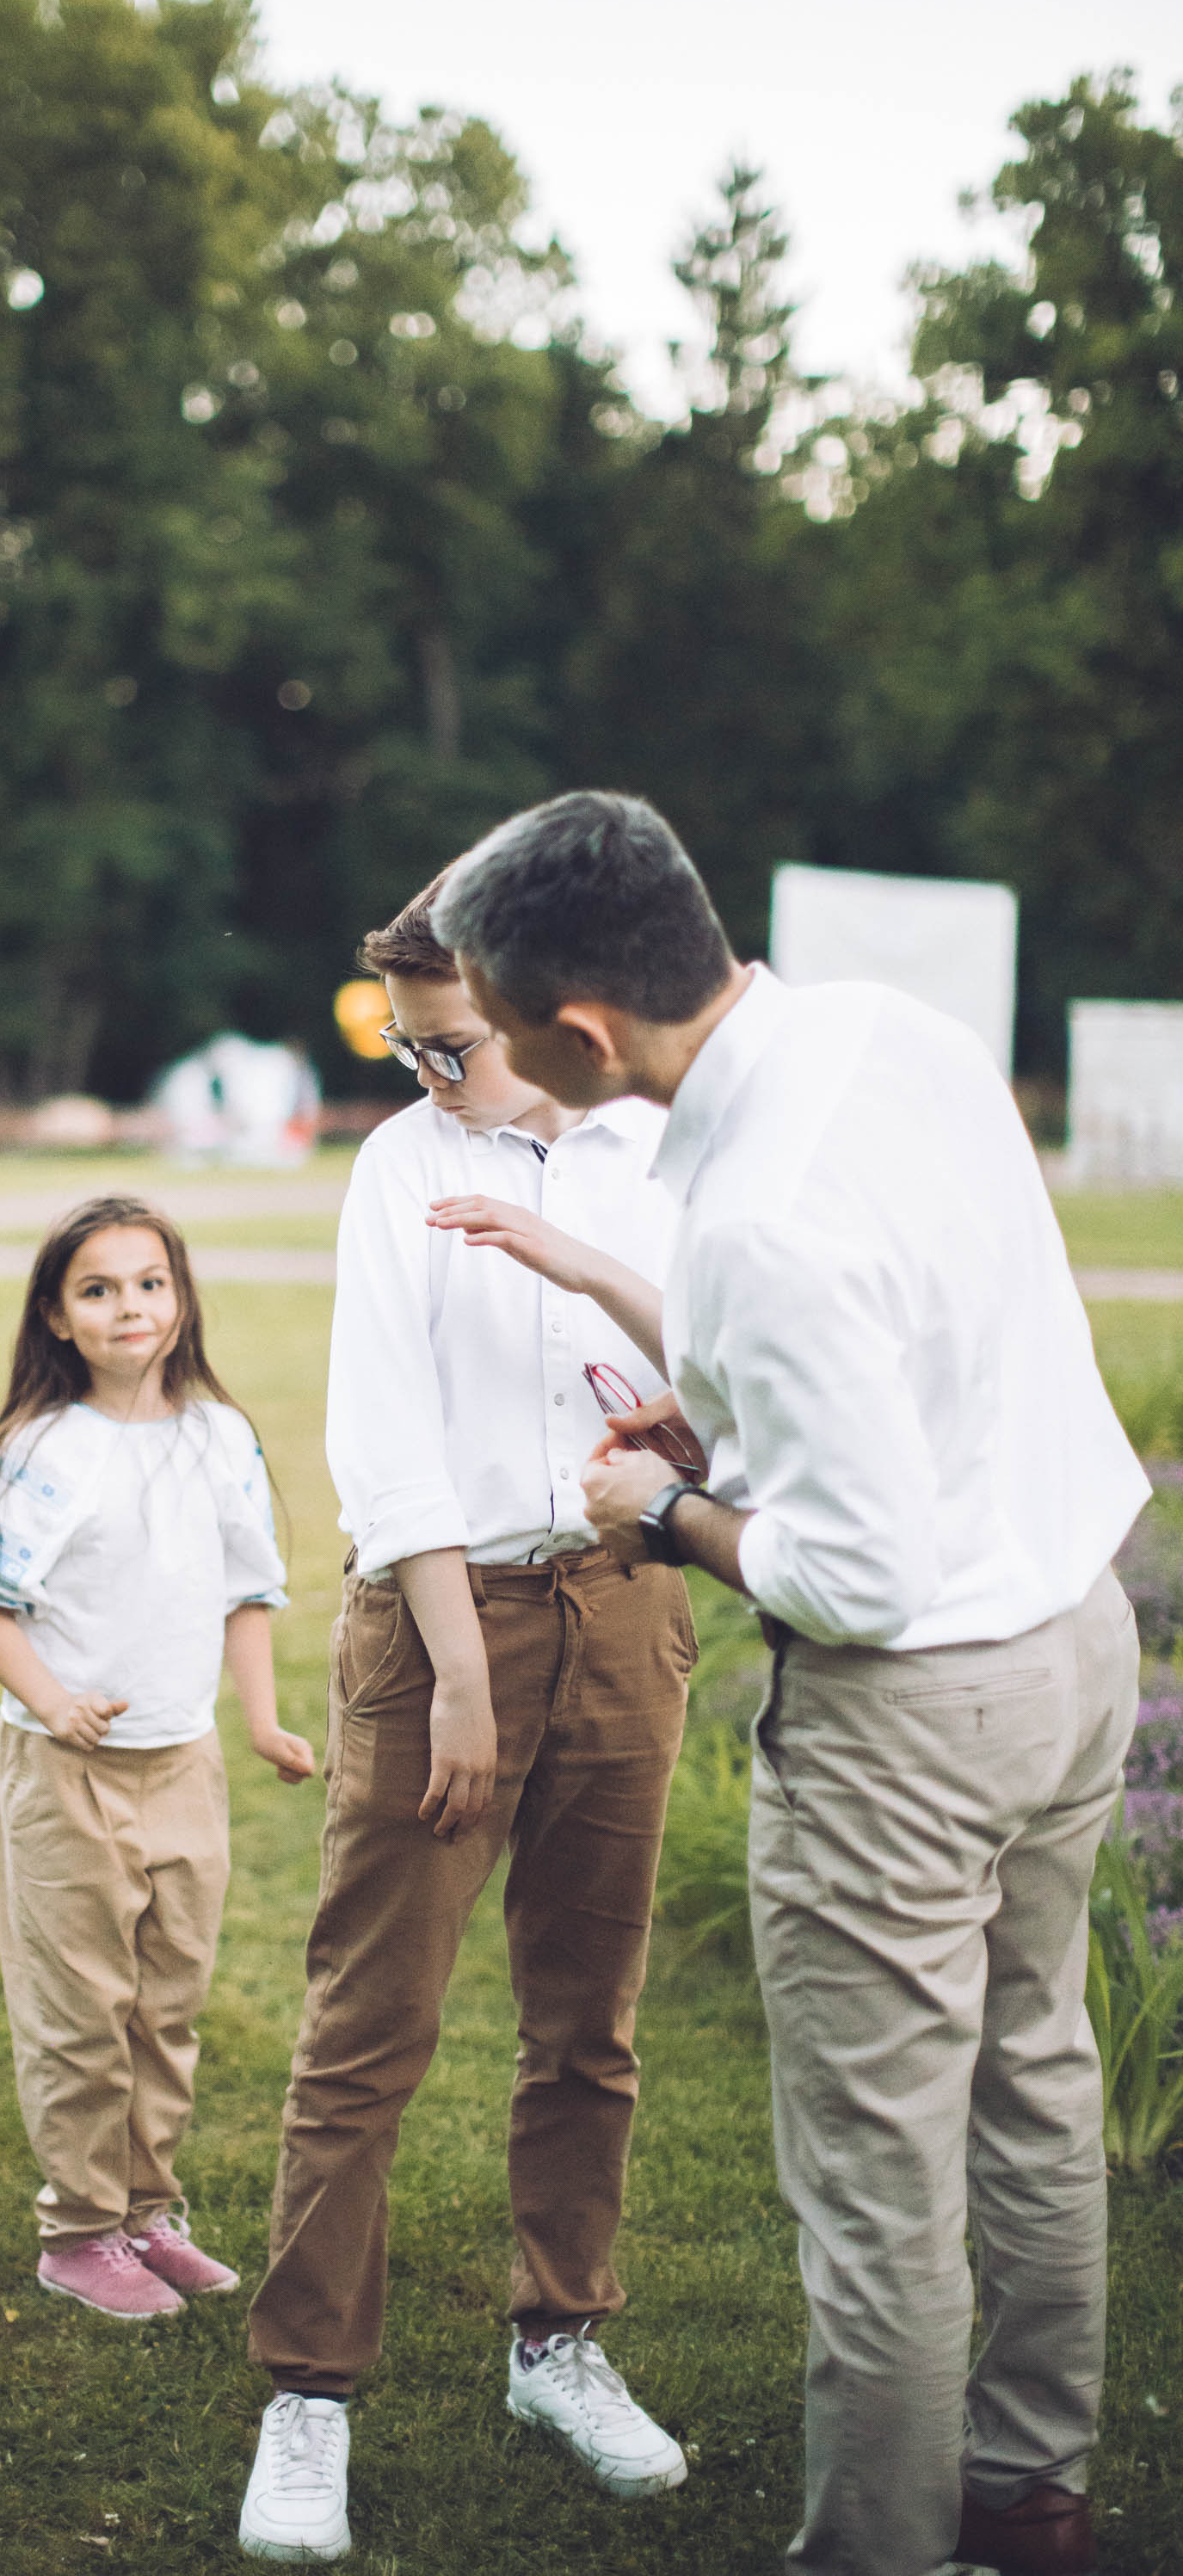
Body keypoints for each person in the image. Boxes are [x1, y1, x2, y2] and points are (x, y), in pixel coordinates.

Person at [428, 791, 1149, 2576]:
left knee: (879, 2186)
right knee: (1038, 2087)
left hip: (916, 1717)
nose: (489, 1057)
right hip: (1074, 1640)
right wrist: (742, 1434)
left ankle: (880, 2551)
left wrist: (669, 1511)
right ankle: (1030, 2495)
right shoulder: (897, 1032)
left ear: (581, 1030)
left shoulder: (752, 1222)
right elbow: (928, 1340)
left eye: (496, 1026)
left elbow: (861, 1575)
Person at [238, 876, 698, 2563]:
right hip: (446, 1616)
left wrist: (586, 1267)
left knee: (588, 2024)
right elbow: (384, 1438)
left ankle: (559, 2341)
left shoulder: (651, 1151)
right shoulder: (398, 1168)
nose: (433, 1078)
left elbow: (725, 1371)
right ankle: (308, 2390)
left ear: (540, 1010)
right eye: (412, 1051)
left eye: (455, 1048)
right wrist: (455, 1675)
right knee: (368, 2028)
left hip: (628, 1605)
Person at [0, 1195, 316, 2322]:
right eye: (97, 1289)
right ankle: (80, 2231)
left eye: (150, 1282)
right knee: (84, 2013)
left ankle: (148, 2212)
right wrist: (55, 1702)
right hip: (66, 1774)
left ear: (180, 1297)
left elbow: (247, 1592)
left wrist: (261, 1723)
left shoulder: (219, 1436)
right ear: (57, 1316)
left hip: (183, 1764)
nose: (130, 1307)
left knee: (166, 2006)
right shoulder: (42, 1450)